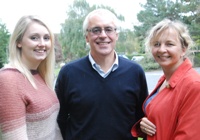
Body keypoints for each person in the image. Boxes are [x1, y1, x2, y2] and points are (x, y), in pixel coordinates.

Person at [55, 9, 148, 140]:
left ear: (117, 35)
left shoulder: (135, 72)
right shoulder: (68, 73)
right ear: (86, 36)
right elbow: (60, 120)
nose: (103, 35)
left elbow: (142, 120)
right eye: (96, 30)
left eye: (109, 29)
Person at [131, 18, 200, 140]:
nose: (162, 49)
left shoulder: (193, 85)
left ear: (183, 49)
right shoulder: (164, 80)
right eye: (157, 44)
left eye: (169, 44)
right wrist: (144, 124)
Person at [0, 15, 63, 140]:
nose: (42, 44)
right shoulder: (8, 79)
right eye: (34, 38)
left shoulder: (41, 76)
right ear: (18, 42)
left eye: (46, 38)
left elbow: (53, 128)